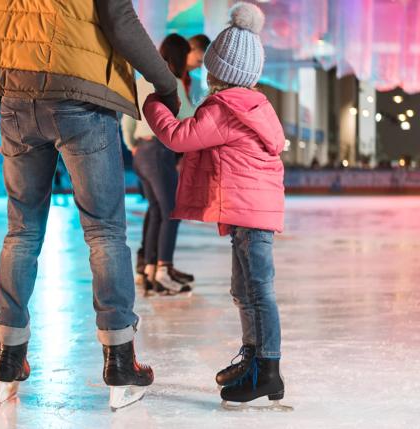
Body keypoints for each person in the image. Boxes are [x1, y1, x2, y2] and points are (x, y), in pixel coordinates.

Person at [0, 0, 180, 409]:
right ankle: (120, 360)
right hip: (79, 96)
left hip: (16, 93)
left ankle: (8, 359)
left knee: (21, 230)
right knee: (104, 231)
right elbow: (120, 19)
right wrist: (164, 83)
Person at [143, 3, 290, 410]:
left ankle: (268, 367)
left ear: (223, 73)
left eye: (212, 69)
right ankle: (254, 359)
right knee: (244, 290)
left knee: (257, 291)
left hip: (249, 212)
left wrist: (154, 101)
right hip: (250, 212)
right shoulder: (255, 105)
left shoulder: (226, 109)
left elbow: (177, 136)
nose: (207, 75)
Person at [122, 34, 196, 297]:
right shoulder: (170, 83)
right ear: (179, 56)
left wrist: (133, 144)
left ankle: (150, 269)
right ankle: (162, 271)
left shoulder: (142, 83)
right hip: (158, 151)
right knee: (171, 212)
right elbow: (188, 116)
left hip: (141, 152)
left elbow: (127, 120)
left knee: (156, 210)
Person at [185, 34, 211, 104]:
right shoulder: (168, 73)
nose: (199, 67)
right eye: (199, 61)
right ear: (190, 48)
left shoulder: (189, 80)